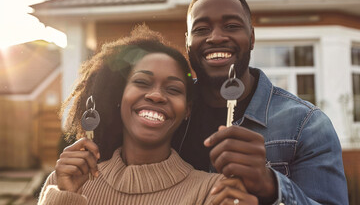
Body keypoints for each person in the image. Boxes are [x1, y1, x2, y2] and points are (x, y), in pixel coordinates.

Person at [38, 25, 258, 205]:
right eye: (142, 82)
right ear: (119, 96)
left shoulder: (214, 192)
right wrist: (66, 196)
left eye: (173, 89)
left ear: (187, 110)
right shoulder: (65, 180)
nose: (156, 96)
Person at [172, 0, 348, 204]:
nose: (216, 37)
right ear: (187, 42)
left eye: (231, 25)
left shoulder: (306, 125)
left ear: (252, 38)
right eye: (201, 29)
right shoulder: (167, 113)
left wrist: (271, 187)